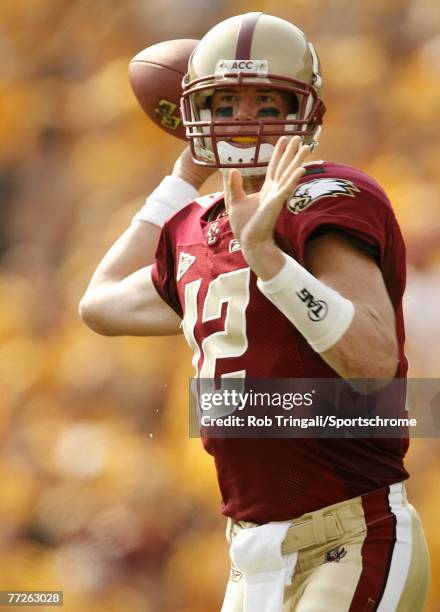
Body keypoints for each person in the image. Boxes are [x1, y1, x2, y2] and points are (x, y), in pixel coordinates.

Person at [79, 12, 430, 612]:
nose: (244, 122)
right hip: (248, 559)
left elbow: (373, 365)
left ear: (306, 112)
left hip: (350, 536)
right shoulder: (195, 228)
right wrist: (182, 179)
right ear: (195, 117)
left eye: (267, 106)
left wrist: (269, 259)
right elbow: (99, 302)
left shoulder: (331, 197)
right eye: (224, 105)